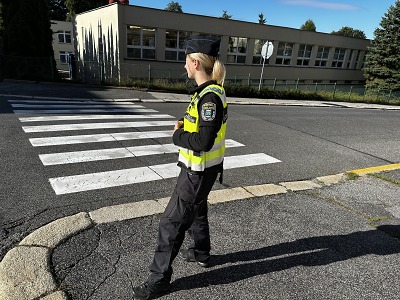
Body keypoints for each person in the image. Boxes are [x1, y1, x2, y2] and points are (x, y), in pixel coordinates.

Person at [133, 35, 228, 300]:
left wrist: (177, 136)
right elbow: (201, 126)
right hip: (205, 170)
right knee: (197, 210)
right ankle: (201, 252)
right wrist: (185, 124)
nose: (184, 66)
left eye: (186, 61)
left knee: (170, 224)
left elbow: (204, 141)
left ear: (196, 62)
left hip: (197, 172)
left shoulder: (209, 98)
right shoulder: (210, 92)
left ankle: (158, 281)